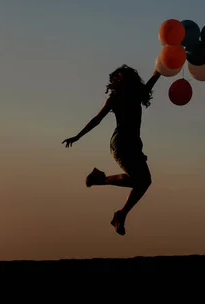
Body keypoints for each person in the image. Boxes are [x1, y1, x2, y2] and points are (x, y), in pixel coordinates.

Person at [62, 64, 161, 236]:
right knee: (141, 181)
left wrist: (169, 58)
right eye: (119, 77)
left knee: (143, 182)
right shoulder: (114, 99)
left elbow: (157, 73)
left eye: (124, 76)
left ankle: (118, 210)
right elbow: (96, 119)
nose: (121, 79)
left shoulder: (138, 94)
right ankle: (116, 208)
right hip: (121, 144)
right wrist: (77, 136)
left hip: (134, 144)